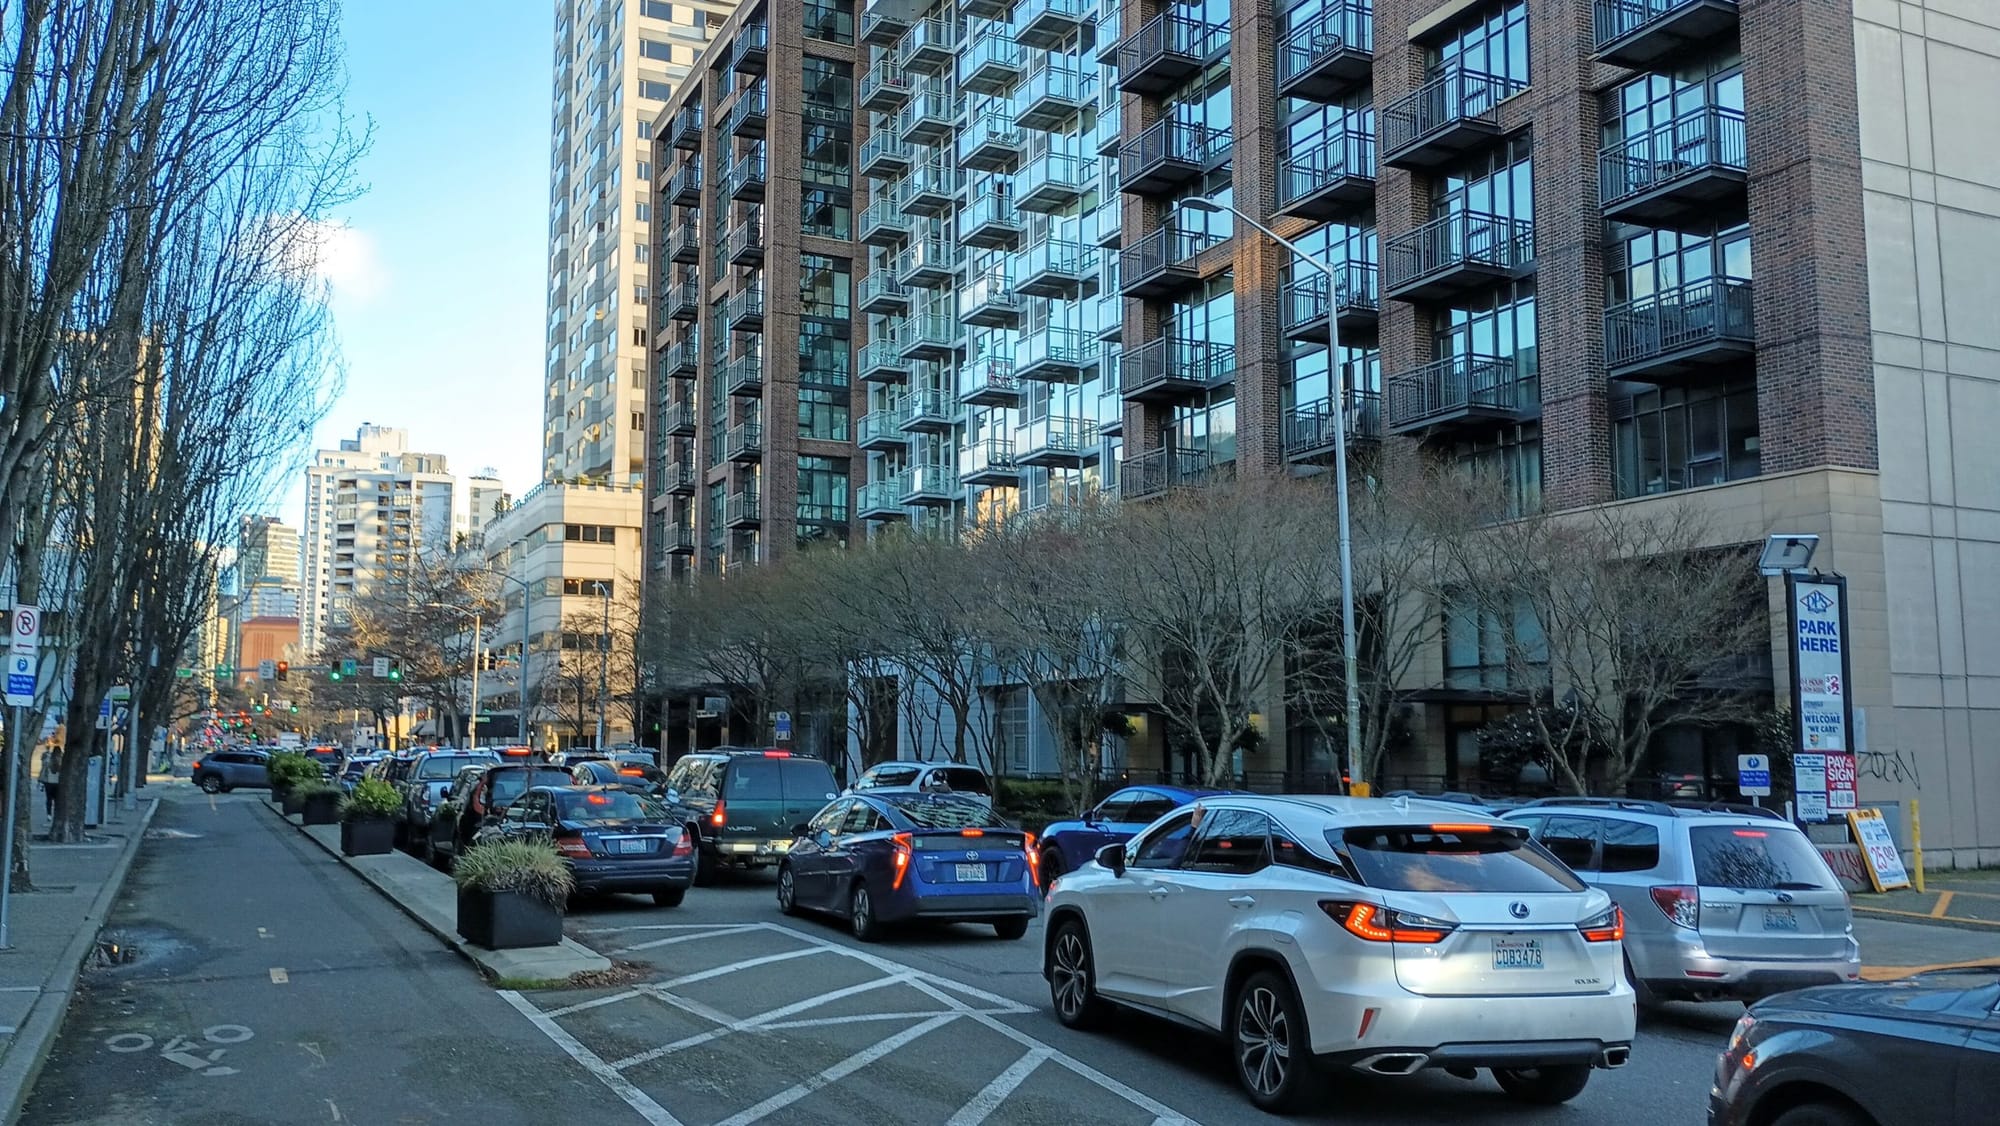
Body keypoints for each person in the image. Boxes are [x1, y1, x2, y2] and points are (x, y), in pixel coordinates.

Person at [39, 745, 60, 818]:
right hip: (58, 783)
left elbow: (43, 770)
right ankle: (57, 814)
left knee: (49, 799)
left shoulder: (48, 760)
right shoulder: (62, 760)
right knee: (57, 800)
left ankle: (49, 814)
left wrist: (40, 781)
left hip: (48, 782)